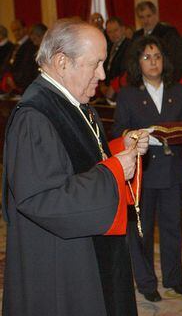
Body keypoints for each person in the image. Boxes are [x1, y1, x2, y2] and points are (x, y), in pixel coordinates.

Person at [2, 18, 149, 316]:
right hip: (62, 265)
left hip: (87, 251)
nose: (103, 74)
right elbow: (42, 199)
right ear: (61, 62)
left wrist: (122, 149)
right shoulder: (35, 116)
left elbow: (82, 159)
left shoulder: (75, 104)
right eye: (95, 64)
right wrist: (115, 171)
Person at [112, 36, 182, 303]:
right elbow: (117, 130)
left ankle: (174, 278)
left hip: (172, 169)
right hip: (143, 170)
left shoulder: (178, 91)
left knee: (172, 227)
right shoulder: (128, 94)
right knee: (142, 230)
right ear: (138, 63)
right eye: (146, 57)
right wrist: (136, 135)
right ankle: (146, 282)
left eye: (156, 56)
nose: (153, 62)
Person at [133, 1, 182, 98]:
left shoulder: (168, 33)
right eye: (142, 17)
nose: (146, 21)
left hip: (164, 82)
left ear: (156, 15)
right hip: (141, 83)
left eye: (148, 16)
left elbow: (179, 59)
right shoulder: (136, 36)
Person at [1, 19, 38, 96]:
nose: (16, 33)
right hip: (12, 85)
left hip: (23, 85)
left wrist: (14, 80)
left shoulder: (31, 45)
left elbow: (27, 67)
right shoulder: (15, 46)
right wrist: (7, 77)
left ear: (25, 29)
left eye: (18, 30)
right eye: (13, 31)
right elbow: (7, 63)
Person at [101, 16, 131, 101]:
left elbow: (127, 70)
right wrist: (102, 84)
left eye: (116, 30)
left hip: (122, 91)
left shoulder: (130, 45)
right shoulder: (108, 46)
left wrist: (113, 86)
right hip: (107, 91)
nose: (113, 34)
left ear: (123, 29)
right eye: (109, 32)